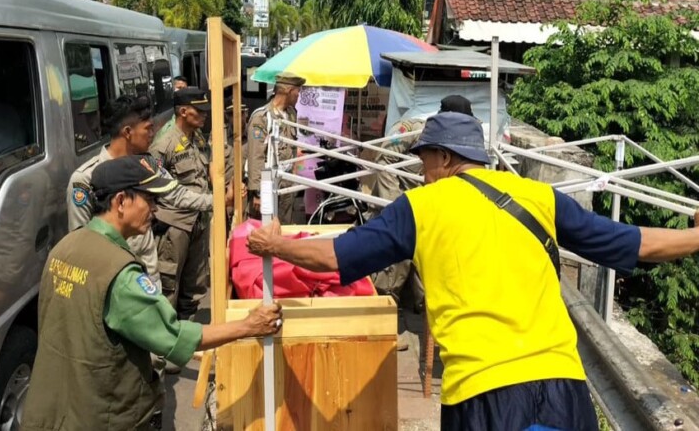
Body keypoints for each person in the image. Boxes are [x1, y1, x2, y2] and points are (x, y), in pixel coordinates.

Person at [247, 112, 699, 430]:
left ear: (444, 159)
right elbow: (634, 243)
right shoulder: (538, 196)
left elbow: (337, 258)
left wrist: (275, 244)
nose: (421, 172)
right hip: (564, 389)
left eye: (424, 160)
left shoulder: (420, 207)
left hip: (484, 397)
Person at [23, 156, 282, 431]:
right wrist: (248, 325)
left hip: (53, 409)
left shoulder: (64, 248)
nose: (155, 209)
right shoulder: (119, 273)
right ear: (121, 201)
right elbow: (174, 337)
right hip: (101, 415)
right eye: (149, 199)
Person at [67, 95, 215, 289]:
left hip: (148, 274)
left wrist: (218, 201)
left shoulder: (148, 164)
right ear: (128, 132)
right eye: (148, 128)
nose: (153, 133)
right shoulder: (84, 180)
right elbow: (81, 245)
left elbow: (176, 194)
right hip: (113, 282)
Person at [369, 95, 475, 350]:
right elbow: (383, 160)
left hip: (426, 203)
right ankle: (381, 328)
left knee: (426, 259)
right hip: (400, 199)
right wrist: (396, 204)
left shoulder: (455, 138)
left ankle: (420, 312)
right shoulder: (414, 130)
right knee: (396, 263)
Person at [149, 89, 224, 326]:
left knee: (195, 283)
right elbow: (161, 191)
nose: (204, 116)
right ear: (183, 112)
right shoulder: (163, 145)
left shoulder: (198, 138)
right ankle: (166, 344)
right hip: (175, 226)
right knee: (169, 285)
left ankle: (188, 332)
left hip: (198, 221)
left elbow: (207, 169)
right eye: (199, 111)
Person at [247, 72, 306, 223]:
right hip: (268, 184)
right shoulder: (261, 118)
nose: (299, 95)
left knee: (285, 227)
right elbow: (256, 157)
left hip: (286, 183)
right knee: (266, 228)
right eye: (297, 91)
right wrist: (258, 193)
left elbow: (292, 148)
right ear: (288, 90)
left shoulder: (291, 114)